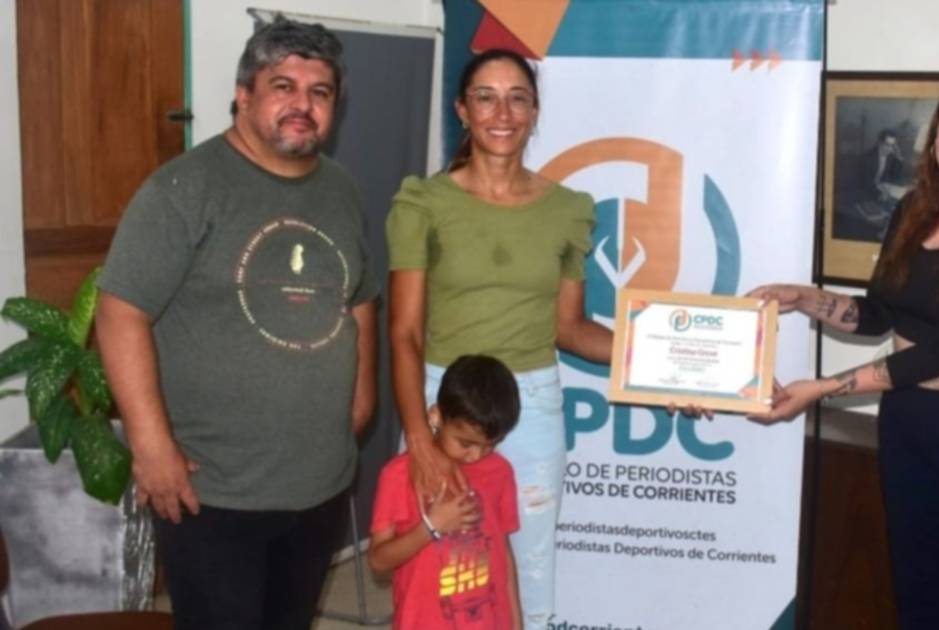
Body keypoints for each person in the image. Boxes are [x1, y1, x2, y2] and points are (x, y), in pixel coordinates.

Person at [94, 16, 378, 629]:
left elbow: (359, 298)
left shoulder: (343, 191)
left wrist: (362, 400)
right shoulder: (183, 188)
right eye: (283, 87)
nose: (302, 105)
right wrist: (151, 446)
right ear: (243, 95)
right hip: (213, 491)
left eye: (320, 92)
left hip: (320, 483)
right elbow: (120, 311)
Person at [749, 68, 939, 629]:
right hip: (910, 420)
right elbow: (880, 314)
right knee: (918, 594)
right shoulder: (912, 210)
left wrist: (823, 389)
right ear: (935, 133)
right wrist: (805, 298)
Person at [386, 48, 612, 627]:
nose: (502, 113)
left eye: (517, 98)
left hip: (531, 407)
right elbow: (404, 332)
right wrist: (420, 439)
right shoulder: (423, 202)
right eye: (485, 97)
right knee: (440, 572)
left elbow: (571, 329)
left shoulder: (567, 210)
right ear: (463, 110)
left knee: (530, 571)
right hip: (442, 403)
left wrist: (659, 363)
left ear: (534, 111)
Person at [369, 354, 523, 630]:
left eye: (490, 444)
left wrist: (516, 623)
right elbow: (378, 561)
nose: (476, 455)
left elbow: (504, 555)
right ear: (436, 416)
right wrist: (431, 528)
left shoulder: (500, 471)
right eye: (465, 443)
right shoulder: (399, 475)